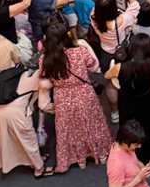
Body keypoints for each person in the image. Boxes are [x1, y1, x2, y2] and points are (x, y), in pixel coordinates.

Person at [39, 23, 112, 173]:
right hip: (85, 95)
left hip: (62, 98)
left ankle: (79, 160)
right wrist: (85, 45)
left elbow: (45, 84)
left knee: (69, 131)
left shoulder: (45, 59)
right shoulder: (79, 52)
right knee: (93, 125)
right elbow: (93, 67)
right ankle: (101, 155)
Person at [105, 33, 150, 167]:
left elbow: (107, 75)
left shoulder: (121, 67)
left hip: (127, 101)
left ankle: (134, 157)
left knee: (130, 128)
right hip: (147, 98)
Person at [90, 0, 140, 123]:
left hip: (106, 55)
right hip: (124, 53)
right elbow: (135, 6)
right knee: (129, 80)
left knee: (111, 85)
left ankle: (114, 112)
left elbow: (96, 8)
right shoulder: (121, 20)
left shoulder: (94, 19)